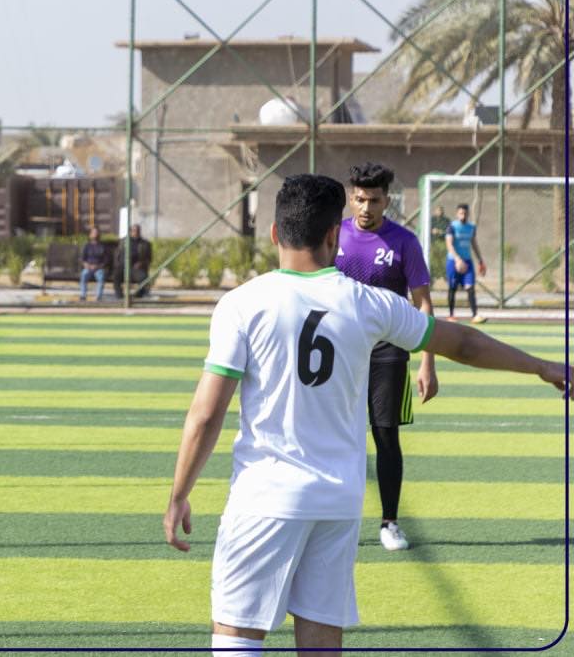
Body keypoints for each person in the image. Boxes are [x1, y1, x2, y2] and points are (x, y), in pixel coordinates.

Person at [163, 174, 568, 655]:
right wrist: (542, 366)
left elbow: (206, 414)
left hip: (264, 498)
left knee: (236, 635)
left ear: (274, 233)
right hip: (337, 502)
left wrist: (179, 495)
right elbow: (462, 341)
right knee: (321, 640)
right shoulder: (369, 303)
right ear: (334, 235)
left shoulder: (242, 304)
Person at [335, 162, 436, 551]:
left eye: (374, 200)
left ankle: (389, 523)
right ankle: (335, 521)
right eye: (360, 199)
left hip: (388, 352)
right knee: (336, 435)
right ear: (351, 198)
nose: (366, 208)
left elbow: (423, 303)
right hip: (341, 350)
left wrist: (427, 361)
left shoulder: (404, 242)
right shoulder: (333, 235)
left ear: (386, 200)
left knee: (385, 435)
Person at [445, 203, 487, 323]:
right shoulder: (452, 227)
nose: (463, 215)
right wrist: (457, 259)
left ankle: (475, 315)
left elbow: (474, 244)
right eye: (461, 213)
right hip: (453, 261)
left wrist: (480, 260)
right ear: (457, 214)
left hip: (467, 261)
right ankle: (451, 315)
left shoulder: (471, 227)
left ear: (468, 214)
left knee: (470, 287)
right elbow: (449, 244)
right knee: (452, 287)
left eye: (465, 213)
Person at [113, 224, 153, 299]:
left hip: (136, 268)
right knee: (116, 275)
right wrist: (118, 264)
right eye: (134, 230)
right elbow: (117, 254)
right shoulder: (123, 241)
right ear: (130, 231)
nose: (136, 232)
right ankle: (120, 296)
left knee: (143, 278)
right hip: (123, 267)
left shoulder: (145, 243)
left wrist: (141, 263)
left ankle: (137, 296)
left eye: (137, 231)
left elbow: (149, 259)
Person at [78, 226, 107, 302]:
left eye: (96, 233)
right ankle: (83, 296)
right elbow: (82, 258)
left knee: (101, 277)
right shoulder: (87, 246)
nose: (95, 234)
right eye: (93, 233)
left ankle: (98, 297)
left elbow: (106, 260)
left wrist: (98, 266)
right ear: (90, 235)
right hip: (88, 267)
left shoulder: (102, 246)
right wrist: (86, 265)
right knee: (83, 275)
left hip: (98, 268)